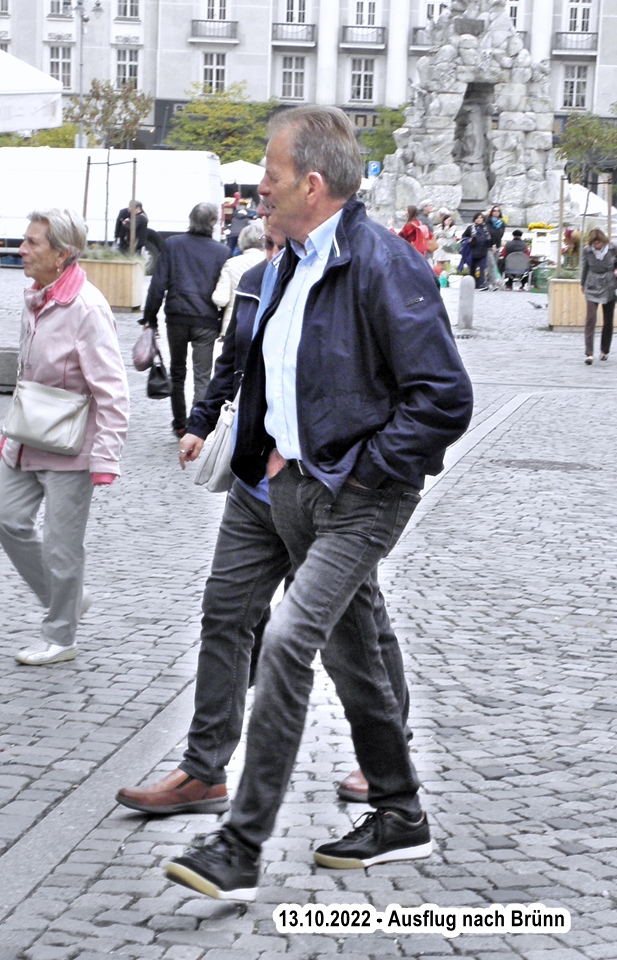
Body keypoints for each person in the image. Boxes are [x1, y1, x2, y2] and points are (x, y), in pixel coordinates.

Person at [164, 105, 473, 901]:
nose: (257, 190)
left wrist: (362, 473)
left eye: (268, 176)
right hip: (292, 489)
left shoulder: (382, 263)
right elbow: (266, 369)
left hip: (359, 495)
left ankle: (239, 846)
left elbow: (444, 397)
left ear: (310, 183)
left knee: (289, 640)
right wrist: (268, 451)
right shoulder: (289, 264)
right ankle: (400, 813)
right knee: (352, 653)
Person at [115, 224, 404, 818]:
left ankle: (387, 757)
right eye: (267, 236)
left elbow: (406, 385)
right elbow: (233, 365)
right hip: (256, 486)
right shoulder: (254, 282)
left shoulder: (352, 278)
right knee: (226, 613)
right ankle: (204, 771)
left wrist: (368, 472)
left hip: (327, 490)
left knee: (358, 623)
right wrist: (199, 422)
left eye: (281, 238)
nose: (274, 248)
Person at [0, 208, 129, 665]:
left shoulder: (87, 308)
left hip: (72, 446)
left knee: (61, 546)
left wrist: (105, 458)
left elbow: (112, 391)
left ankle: (60, 637)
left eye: (33, 243)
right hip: (28, 436)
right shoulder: (36, 297)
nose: (22, 250)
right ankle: (66, 597)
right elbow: (26, 375)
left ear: (62, 255)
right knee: (5, 518)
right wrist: (10, 434)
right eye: (25, 240)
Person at [141, 202, 230, 437]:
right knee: (202, 376)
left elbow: (158, 285)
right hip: (207, 319)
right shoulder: (222, 252)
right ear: (213, 222)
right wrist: (224, 324)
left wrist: (150, 317)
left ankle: (180, 423)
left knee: (177, 371)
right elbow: (225, 291)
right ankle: (196, 425)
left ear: (191, 219)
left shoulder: (173, 245)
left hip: (177, 317)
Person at [212, 219, 266, 336]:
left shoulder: (231, 264)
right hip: (263, 327)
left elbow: (220, 299)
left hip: (233, 327)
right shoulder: (270, 264)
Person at [580, 227, 617, 365]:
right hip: (592, 284)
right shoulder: (587, 250)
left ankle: (605, 350)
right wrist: (582, 283)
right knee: (590, 319)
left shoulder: (613, 248)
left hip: (609, 284)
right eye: (594, 243)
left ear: (603, 240)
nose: (597, 246)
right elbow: (585, 267)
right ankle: (589, 353)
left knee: (608, 320)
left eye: (599, 243)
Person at [462, 212, 492, 289]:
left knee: (482, 268)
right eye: (477, 218)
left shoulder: (486, 228)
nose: (479, 219)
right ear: (474, 219)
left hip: (483, 251)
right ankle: (472, 285)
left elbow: (489, 238)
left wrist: (490, 243)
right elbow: (463, 237)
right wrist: (468, 240)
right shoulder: (470, 228)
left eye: (481, 218)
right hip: (473, 251)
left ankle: (482, 284)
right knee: (472, 269)